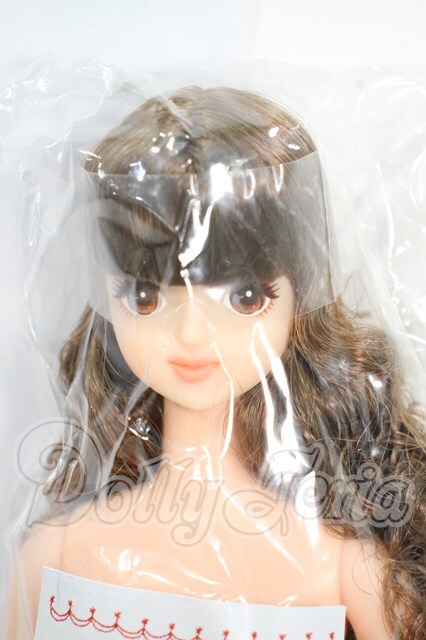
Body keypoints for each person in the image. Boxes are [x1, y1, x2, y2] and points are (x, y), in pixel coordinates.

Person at [5, 86, 425, 640]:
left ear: (303, 296)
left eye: (245, 297)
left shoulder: (343, 567)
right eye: (144, 296)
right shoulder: (54, 556)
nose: (190, 333)